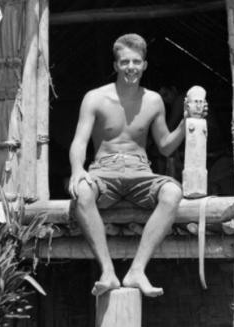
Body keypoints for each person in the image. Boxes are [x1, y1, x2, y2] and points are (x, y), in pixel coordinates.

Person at [68, 33, 189, 298]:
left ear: (144, 65)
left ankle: (137, 271)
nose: (130, 67)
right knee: (82, 193)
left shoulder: (154, 101)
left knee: (173, 193)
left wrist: (184, 124)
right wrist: (78, 170)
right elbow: (79, 141)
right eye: (124, 62)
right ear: (116, 66)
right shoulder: (95, 98)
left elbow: (166, 146)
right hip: (104, 170)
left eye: (136, 61)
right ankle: (108, 272)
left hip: (140, 171)